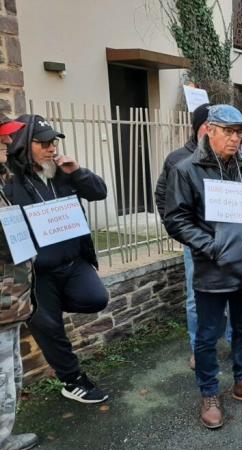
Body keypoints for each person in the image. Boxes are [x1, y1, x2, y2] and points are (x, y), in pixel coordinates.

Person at [164, 105, 242, 429]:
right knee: (208, 334)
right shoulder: (186, 169)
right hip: (213, 267)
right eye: (227, 131)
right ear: (209, 130)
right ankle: (209, 392)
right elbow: (176, 219)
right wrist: (212, 246)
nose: (234, 138)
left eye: (239, 131)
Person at [5, 114, 109, 404]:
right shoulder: (11, 181)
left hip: (73, 261)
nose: (52, 148)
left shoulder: (62, 172)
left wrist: (77, 172)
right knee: (49, 325)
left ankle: (44, 310)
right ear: (25, 146)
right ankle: (72, 379)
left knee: (96, 299)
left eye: (54, 142)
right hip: (38, 271)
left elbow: (98, 192)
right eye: (44, 143)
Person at [155, 102, 211, 369]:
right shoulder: (178, 159)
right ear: (199, 129)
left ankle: (232, 344)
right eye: (210, 127)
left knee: (230, 296)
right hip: (195, 243)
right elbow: (162, 196)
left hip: (227, 242)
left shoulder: (232, 158)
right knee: (194, 298)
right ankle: (197, 349)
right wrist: (182, 232)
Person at [0, 114, 38, 450]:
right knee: (1, 378)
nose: (7, 144)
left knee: (9, 372)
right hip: (2, 300)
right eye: (1, 138)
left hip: (10, 301)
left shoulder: (2, 180)